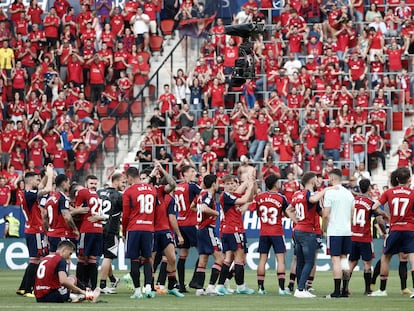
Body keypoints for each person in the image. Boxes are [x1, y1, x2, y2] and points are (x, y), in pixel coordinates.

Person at [370, 167, 414, 297]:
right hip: (410, 229)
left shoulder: (389, 192)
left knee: (385, 258)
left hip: (394, 229)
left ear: (396, 179)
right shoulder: (412, 193)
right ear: (409, 179)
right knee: (412, 259)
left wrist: (384, 214)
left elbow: (374, 207)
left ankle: (382, 290)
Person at [252, 174, 296, 295]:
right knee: (280, 260)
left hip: (264, 232)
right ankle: (281, 289)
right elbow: (288, 214)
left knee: (262, 260)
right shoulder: (281, 198)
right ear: (275, 184)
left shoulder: (260, 197)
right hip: (276, 231)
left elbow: (257, 213)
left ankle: (260, 288)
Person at [291, 172, 333, 298]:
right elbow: (313, 199)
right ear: (312, 181)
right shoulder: (309, 194)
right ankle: (300, 289)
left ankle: (300, 288)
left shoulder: (296, 194)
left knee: (300, 262)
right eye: (316, 180)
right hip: (307, 231)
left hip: (297, 230)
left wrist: (297, 221)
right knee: (309, 262)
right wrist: (326, 189)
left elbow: (289, 209)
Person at [16, 166, 54, 297]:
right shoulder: (29, 194)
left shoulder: (24, 193)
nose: (39, 182)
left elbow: (41, 186)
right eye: (37, 180)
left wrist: (46, 175)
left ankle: (22, 287)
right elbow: (47, 189)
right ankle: (28, 289)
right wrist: (49, 174)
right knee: (36, 259)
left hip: (31, 229)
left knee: (35, 259)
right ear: (30, 182)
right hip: (35, 229)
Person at [217, 174, 255, 295]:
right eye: (227, 184)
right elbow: (245, 199)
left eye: (232, 183)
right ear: (223, 185)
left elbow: (246, 198)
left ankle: (220, 285)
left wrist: (248, 181)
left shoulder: (229, 195)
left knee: (228, 259)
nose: (231, 186)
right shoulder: (227, 195)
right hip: (234, 229)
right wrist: (250, 186)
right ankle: (241, 286)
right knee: (240, 259)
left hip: (228, 229)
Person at [123, 166, 157, 299]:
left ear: (130, 177)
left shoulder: (129, 191)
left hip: (134, 228)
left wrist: (124, 231)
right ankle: (148, 286)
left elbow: (125, 215)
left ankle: (137, 290)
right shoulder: (152, 190)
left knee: (135, 260)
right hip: (149, 228)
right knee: (148, 258)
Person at [348, 179, 386, 295]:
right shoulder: (370, 203)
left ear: (359, 188)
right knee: (367, 263)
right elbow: (379, 220)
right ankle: (367, 289)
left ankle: (344, 287)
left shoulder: (353, 201)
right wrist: (384, 232)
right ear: (369, 188)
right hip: (364, 237)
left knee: (351, 263)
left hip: (353, 236)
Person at [322, 168, 355, 298]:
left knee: (335, 260)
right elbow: (352, 214)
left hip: (335, 230)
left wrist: (324, 229)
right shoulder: (349, 194)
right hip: (347, 230)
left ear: (332, 178)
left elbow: (325, 214)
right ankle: (345, 289)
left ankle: (336, 292)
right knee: (344, 259)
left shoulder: (330, 193)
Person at [34, 240, 100, 303]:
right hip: (52, 295)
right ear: (64, 250)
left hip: (39, 296)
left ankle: (84, 292)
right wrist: (81, 291)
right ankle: (87, 295)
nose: (69, 256)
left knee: (72, 278)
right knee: (71, 283)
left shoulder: (46, 258)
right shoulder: (60, 259)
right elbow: (63, 281)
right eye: (70, 253)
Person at [193, 174, 224, 296]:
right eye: (217, 182)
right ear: (213, 184)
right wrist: (216, 213)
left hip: (200, 229)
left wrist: (201, 211)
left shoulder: (201, 194)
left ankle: (199, 289)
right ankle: (211, 287)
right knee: (220, 258)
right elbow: (205, 208)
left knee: (203, 259)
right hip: (207, 229)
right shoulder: (208, 195)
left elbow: (192, 206)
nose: (218, 184)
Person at [173, 165, 202, 293]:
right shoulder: (192, 186)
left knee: (183, 255)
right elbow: (205, 194)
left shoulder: (177, 188)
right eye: (191, 171)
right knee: (203, 252)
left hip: (180, 223)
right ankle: (195, 280)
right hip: (191, 223)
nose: (194, 173)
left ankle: (181, 284)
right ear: (184, 174)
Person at [97, 173, 125, 294]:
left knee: (105, 258)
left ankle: (112, 279)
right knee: (108, 257)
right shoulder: (119, 196)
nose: (124, 185)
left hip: (98, 228)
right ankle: (102, 285)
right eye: (122, 182)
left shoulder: (99, 193)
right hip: (111, 229)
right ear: (116, 181)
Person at [75, 175, 103, 291]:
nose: (94, 186)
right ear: (86, 183)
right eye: (91, 183)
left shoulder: (82, 192)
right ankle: (92, 287)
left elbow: (77, 209)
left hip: (87, 229)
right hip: (98, 229)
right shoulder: (97, 196)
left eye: (95, 184)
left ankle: (79, 286)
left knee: (82, 258)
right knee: (92, 259)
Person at [42, 174, 79, 253]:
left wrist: (48, 231)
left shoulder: (50, 198)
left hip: (51, 234)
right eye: (68, 183)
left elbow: (44, 217)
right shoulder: (63, 198)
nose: (69, 185)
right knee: (64, 260)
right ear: (63, 183)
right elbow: (67, 216)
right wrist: (75, 229)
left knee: (52, 259)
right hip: (62, 233)